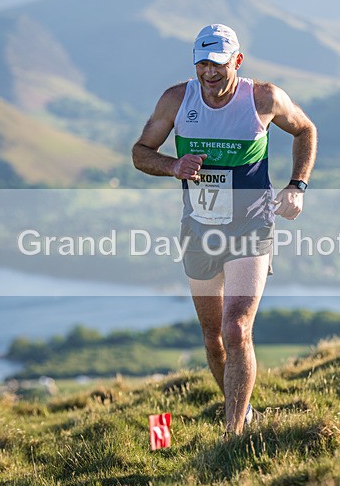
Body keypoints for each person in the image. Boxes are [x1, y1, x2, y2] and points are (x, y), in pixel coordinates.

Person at [132, 24, 317, 435]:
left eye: (217, 64)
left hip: (252, 225)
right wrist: (172, 166)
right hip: (199, 229)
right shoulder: (177, 100)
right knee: (214, 338)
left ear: (237, 60)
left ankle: (233, 434)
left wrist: (297, 186)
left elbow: (305, 129)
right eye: (202, 64)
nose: (209, 73)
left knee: (237, 329)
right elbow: (140, 153)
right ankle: (244, 410)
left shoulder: (263, 98)